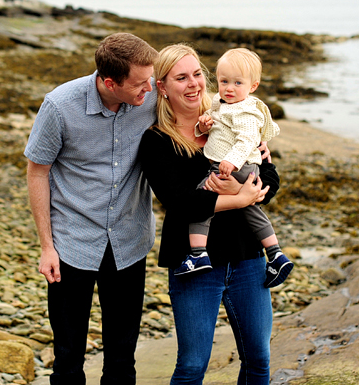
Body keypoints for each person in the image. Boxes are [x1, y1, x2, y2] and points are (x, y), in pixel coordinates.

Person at [139, 43, 280, 385]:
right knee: (192, 365)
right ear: (163, 87)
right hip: (193, 262)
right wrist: (239, 198)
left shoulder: (231, 118)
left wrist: (257, 184)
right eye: (181, 78)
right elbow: (180, 202)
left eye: (198, 74)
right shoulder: (156, 141)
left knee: (259, 360)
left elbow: (271, 177)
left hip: (248, 258)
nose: (193, 84)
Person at [24, 32, 159, 385]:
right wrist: (46, 247)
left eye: (151, 80)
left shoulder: (150, 91)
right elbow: (37, 171)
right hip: (72, 244)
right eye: (139, 85)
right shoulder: (59, 106)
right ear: (109, 82)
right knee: (68, 359)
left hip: (130, 241)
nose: (149, 90)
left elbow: (199, 110)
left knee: (122, 358)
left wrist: (255, 141)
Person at [177, 48, 293, 289]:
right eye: (224, 81)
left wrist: (232, 162)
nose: (229, 88)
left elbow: (246, 141)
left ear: (253, 86)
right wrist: (204, 124)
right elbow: (219, 127)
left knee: (202, 201)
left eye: (237, 83)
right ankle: (276, 254)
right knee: (249, 209)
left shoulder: (246, 111)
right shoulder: (223, 103)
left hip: (234, 166)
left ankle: (198, 254)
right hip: (239, 168)